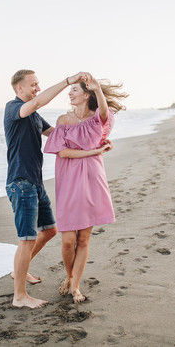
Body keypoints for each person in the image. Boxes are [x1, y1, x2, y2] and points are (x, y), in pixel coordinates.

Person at [4, 69, 90, 309]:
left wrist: (93, 138)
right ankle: (19, 296)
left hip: (35, 184)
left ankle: (17, 272)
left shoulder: (34, 116)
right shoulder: (13, 109)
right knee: (27, 239)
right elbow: (39, 101)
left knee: (50, 230)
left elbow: (57, 134)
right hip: (21, 183)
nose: (37, 88)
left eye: (38, 84)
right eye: (33, 85)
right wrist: (67, 82)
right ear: (19, 88)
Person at [44, 76, 127, 304]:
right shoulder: (63, 120)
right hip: (69, 180)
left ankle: (76, 285)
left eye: (74, 90)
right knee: (68, 240)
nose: (70, 94)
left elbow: (102, 110)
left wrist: (98, 88)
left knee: (83, 240)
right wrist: (93, 152)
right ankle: (70, 276)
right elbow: (63, 153)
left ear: (86, 94)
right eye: (69, 90)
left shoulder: (99, 119)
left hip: (91, 179)